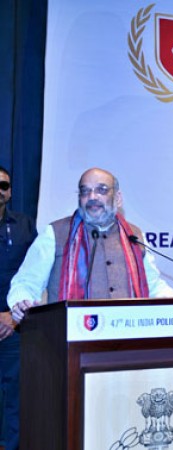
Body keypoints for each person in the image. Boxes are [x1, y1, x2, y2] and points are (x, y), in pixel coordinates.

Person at [8, 168, 173, 323]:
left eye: (101, 190)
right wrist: (21, 302)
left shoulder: (135, 235)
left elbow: (152, 285)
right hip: (69, 334)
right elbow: (26, 282)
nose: (92, 197)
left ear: (118, 198)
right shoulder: (55, 233)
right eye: (85, 191)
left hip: (128, 334)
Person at [0, 167, 36, 450]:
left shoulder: (24, 225)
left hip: (12, 325)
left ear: (10, 192)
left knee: (16, 397)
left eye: (3, 186)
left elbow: (33, 276)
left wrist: (11, 316)